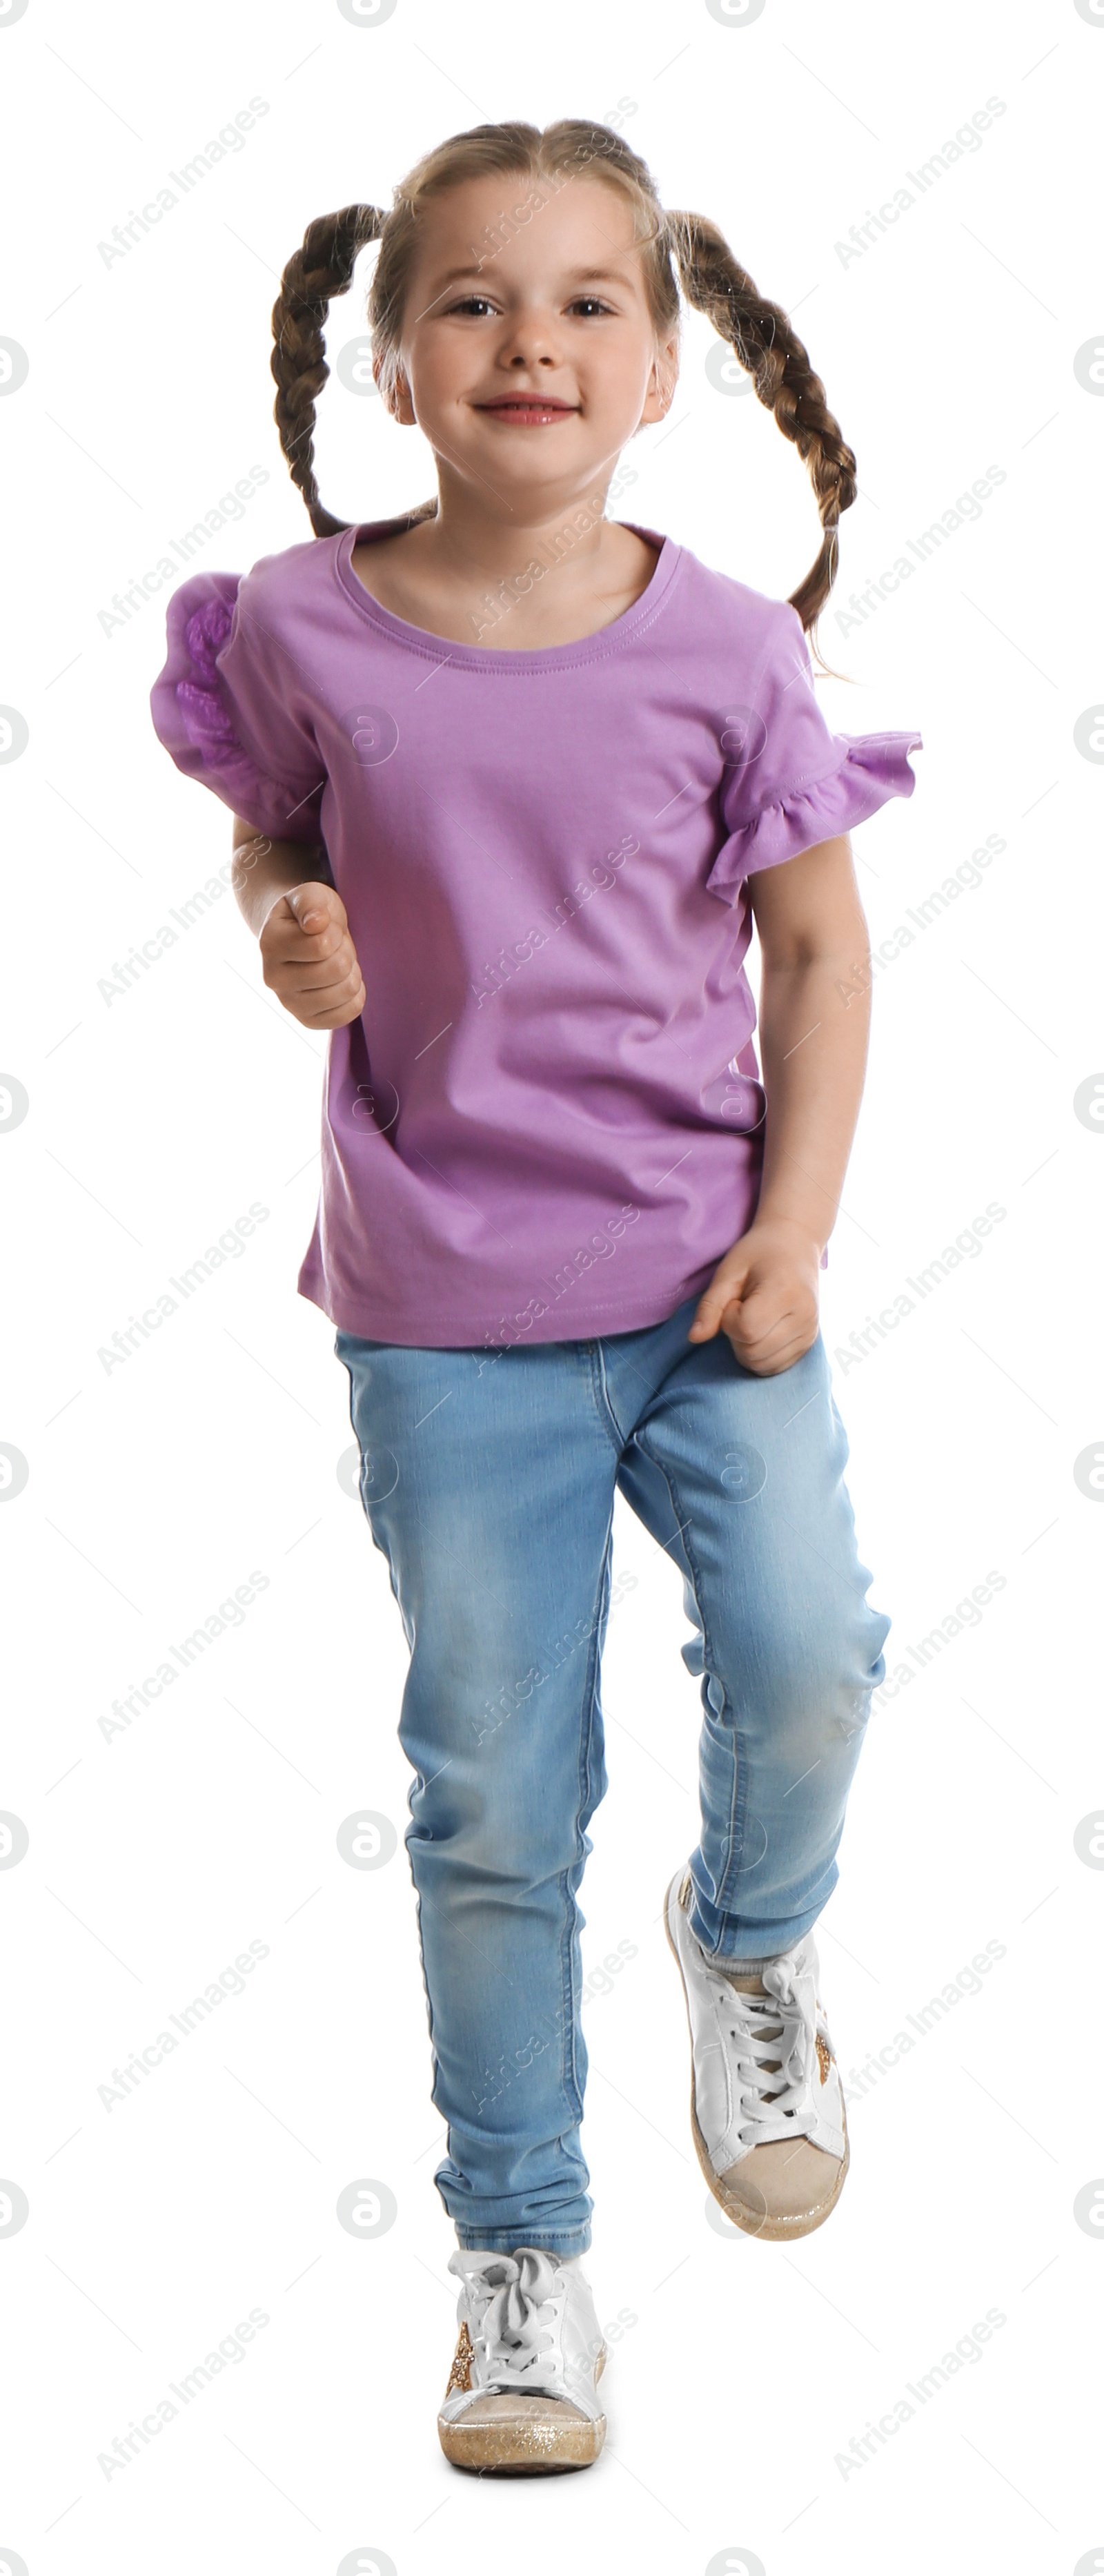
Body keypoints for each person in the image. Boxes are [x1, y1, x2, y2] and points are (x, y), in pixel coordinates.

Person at [150, 116, 920, 2477]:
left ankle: (751, 1933)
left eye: (592, 299)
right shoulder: (297, 626)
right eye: (474, 299)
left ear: (668, 364)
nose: (532, 340)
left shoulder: (719, 646)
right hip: (445, 1303)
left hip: (710, 1281)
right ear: (396, 363)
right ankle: (521, 2255)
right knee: (494, 1790)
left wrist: (792, 1233)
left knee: (810, 1652)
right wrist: (290, 917)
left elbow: (816, 945)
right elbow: (276, 815)